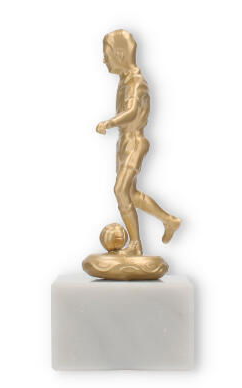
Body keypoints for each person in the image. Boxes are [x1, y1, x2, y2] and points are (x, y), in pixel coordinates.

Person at [96, 29, 181, 256]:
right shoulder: (125, 81)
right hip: (124, 143)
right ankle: (169, 220)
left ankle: (135, 245)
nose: (104, 60)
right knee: (130, 194)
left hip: (135, 142)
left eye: (106, 55)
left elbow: (132, 111)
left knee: (120, 190)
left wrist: (110, 122)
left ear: (120, 55)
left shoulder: (136, 83)